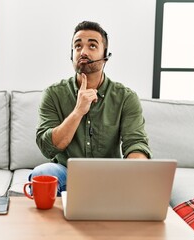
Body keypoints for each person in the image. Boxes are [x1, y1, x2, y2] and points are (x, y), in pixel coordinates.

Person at [30, 21, 152, 195]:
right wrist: (78, 111)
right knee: (43, 173)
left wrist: (136, 171)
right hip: (66, 173)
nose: (83, 52)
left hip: (110, 176)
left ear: (106, 55)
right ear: (71, 54)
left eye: (92, 45)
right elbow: (48, 147)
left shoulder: (126, 98)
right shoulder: (53, 94)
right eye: (77, 46)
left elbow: (136, 143)